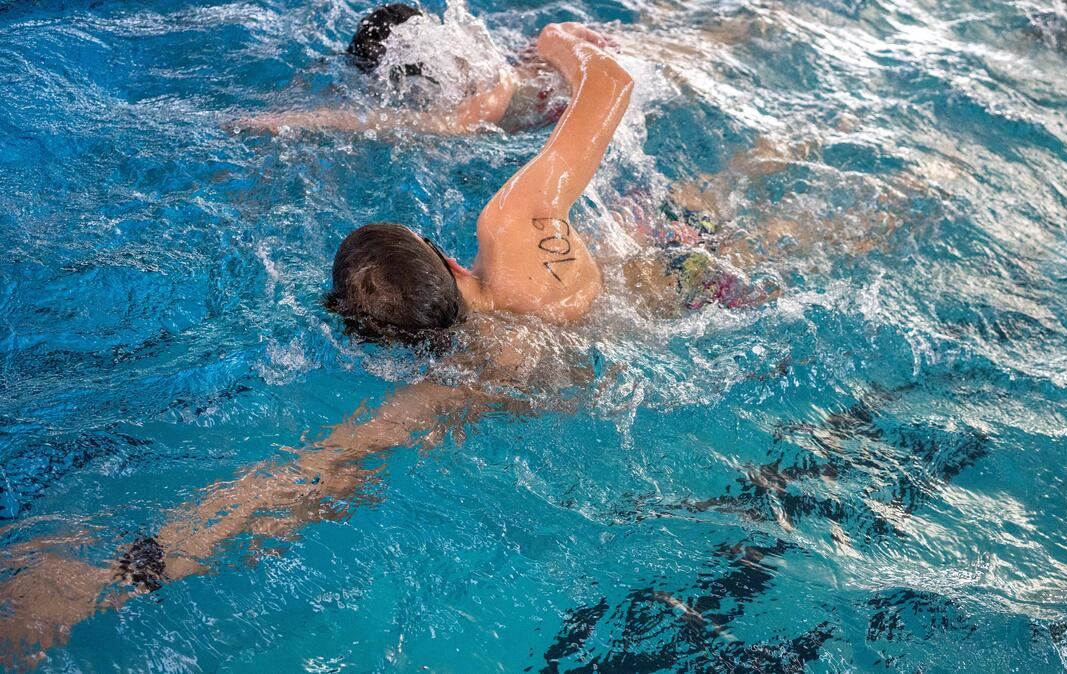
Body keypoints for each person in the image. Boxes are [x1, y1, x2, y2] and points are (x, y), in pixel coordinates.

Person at [0, 19, 633, 663]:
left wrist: (103, 581)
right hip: (671, 297)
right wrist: (559, 40)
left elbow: (296, 486)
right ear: (443, 258)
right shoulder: (517, 230)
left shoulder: (451, 384)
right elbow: (612, 81)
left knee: (330, 461)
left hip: (564, 411)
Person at [238, 3, 578, 136]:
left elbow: (371, 123)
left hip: (562, 92)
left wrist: (291, 120)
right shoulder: (486, 70)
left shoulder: (488, 97)